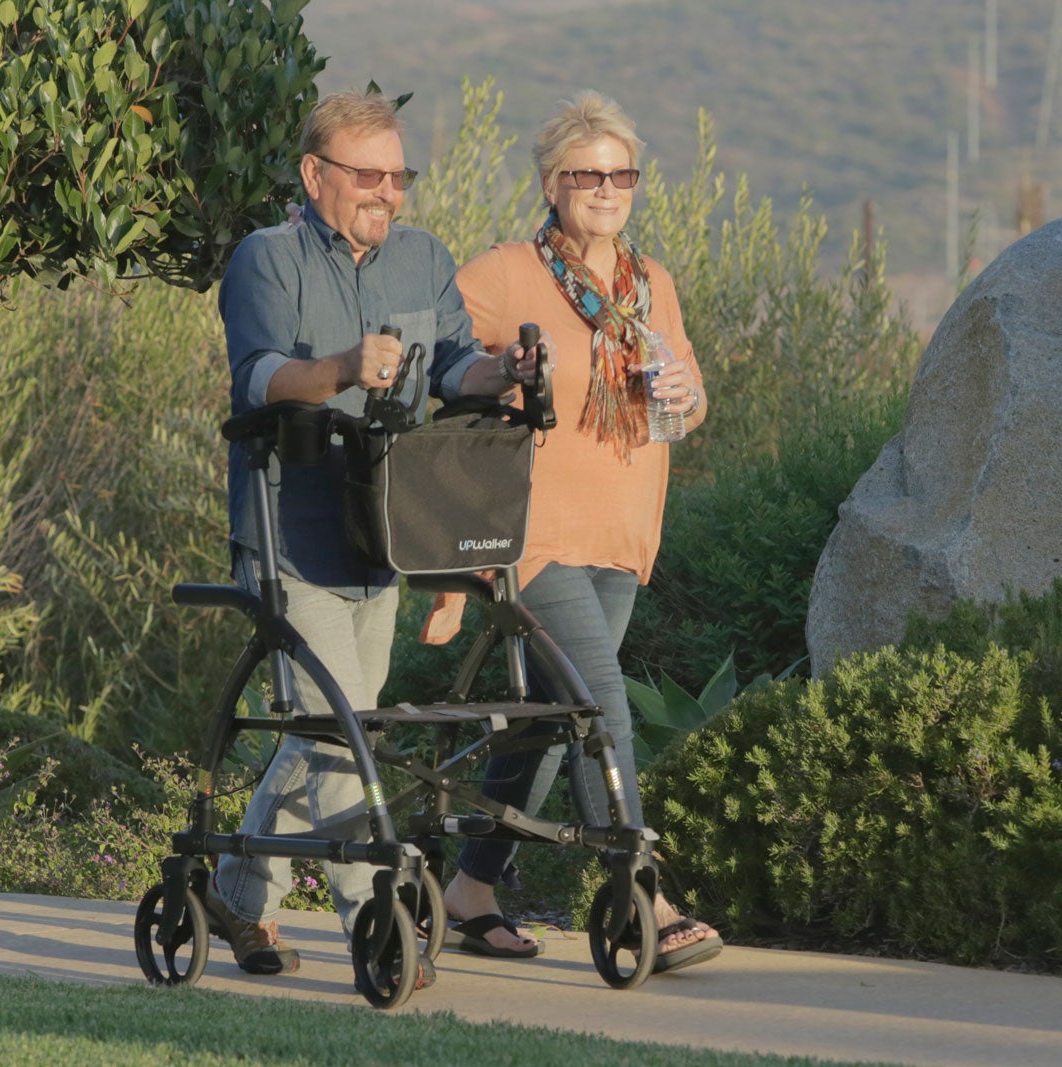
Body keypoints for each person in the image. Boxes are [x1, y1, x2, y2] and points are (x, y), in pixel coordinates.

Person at [207, 90, 533, 980]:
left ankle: (234, 895)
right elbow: (261, 376)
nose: (386, 192)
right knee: (343, 730)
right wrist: (342, 367)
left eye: (399, 175)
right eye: (367, 174)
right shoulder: (263, 261)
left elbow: (454, 364)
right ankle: (377, 915)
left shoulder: (424, 259)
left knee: (325, 731)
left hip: (380, 535)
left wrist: (499, 371)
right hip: (289, 530)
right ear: (316, 174)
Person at [431, 91, 722, 972]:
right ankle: (642, 894)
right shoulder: (507, 272)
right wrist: (498, 371)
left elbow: (693, 396)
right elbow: (445, 363)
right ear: (553, 183)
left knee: (542, 724)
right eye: (588, 174)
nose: (607, 188)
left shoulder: (650, 283)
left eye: (621, 173)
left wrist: (684, 395)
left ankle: (472, 890)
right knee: (598, 708)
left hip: (623, 536)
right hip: (533, 534)